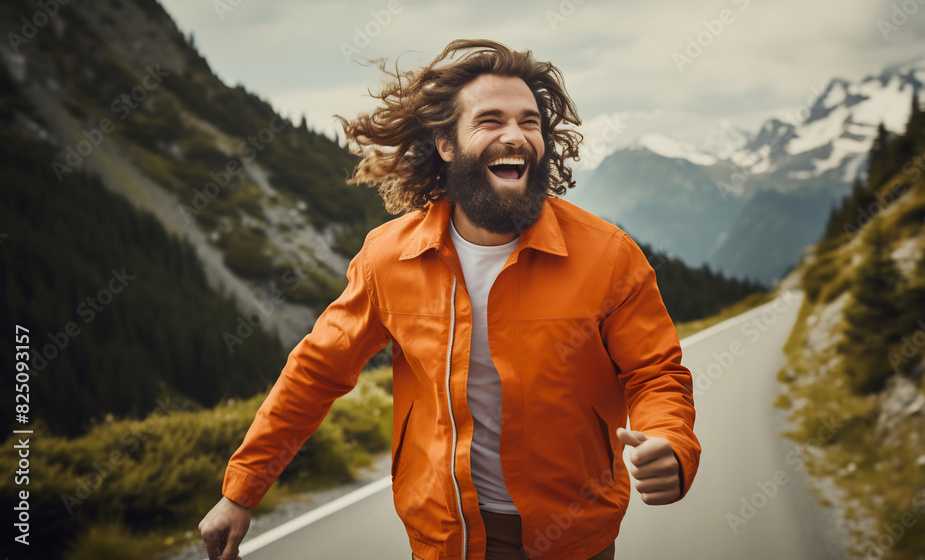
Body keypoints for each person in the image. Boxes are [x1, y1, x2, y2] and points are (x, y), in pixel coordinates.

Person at [199, 39, 700, 560]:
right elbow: (315, 373)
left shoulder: (609, 257)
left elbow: (655, 373)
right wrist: (241, 491)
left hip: (575, 541)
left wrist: (670, 440)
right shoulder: (387, 259)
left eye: (530, 122)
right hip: (445, 541)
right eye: (490, 121)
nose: (516, 136)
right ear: (446, 144)